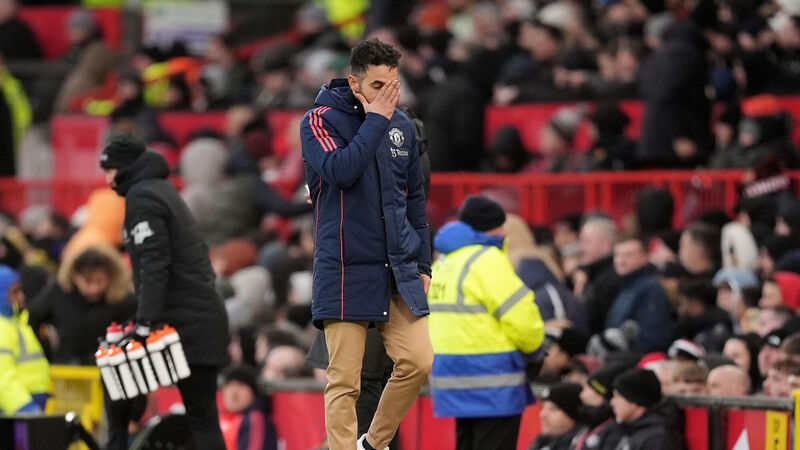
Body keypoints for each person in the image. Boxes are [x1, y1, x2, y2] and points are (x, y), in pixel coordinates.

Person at [300, 38, 433, 450]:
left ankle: (373, 444)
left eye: (393, 85)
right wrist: (375, 119)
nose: (388, 95)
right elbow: (341, 170)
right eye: (378, 86)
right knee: (345, 381)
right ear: (355, 83)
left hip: (396, 266)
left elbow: (414, 199)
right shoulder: (319, 120)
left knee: (418, 362)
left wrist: (423, 265)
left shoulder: (403, 126)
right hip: (343, 267)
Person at [100, 133, 229, 450]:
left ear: (124, 167)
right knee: (203, 418)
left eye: (110, 169)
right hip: (200, 320)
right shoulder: (162, 189)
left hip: (181, 324)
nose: (107, 179)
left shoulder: (142, 196)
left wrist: (145, 323)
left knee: (117, 377)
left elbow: (155, 264)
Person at [428, 195, 545, 450]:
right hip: (493, 381)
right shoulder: (487, 260)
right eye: (500, 225)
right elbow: (522, 318)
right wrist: (536, 352)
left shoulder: (443, 263)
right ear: (489, 228)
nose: (505, 232)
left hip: (452, 377)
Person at [27, 244, 136, 365]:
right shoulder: (59, 291)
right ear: (75, 276)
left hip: (108, 365)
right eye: (87, 281)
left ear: (110, 276)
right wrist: (45, 353)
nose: (94, 289)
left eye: (99, 281)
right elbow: (33, 316)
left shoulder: (124, 300)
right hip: (66, 366)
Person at [605, 234, 675, 352]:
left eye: (628, 255)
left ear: (645, 257)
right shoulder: (624, 286)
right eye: (617, 254)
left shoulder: (651, 288)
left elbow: (653, 337)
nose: (621, 261)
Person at [0, 264, 49, 414]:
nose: (21, 296)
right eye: (15, 292)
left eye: (21, 290)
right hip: (17, 410)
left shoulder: (17, 324)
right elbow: (3, 379)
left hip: (26, 406)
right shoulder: (3, 328)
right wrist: (26, 408)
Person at [610, 368, 684, 449]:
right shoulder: (632, 429)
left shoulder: (660, 439)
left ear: (634, 400)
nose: (612, 403)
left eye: (617, 397)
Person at [218, 365, 278, 450]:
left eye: (241, 385)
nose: (234, 392)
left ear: (252, 392)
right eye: (229, 385)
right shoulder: (220, 417)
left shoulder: (255, 420)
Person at [575, 363, 628, 450]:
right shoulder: (588, 424)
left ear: (601, 396)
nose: (581, 395)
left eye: (587, 389)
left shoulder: (615, 431)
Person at [529, 383, 585, 450]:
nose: (542, 415)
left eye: (553, 409)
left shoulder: (582, 445)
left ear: (572, 413)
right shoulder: (542, 442)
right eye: (543, 407)